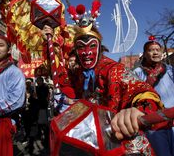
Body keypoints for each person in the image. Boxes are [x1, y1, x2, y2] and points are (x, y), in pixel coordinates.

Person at [48, 22, 165, 155]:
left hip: (122, 143)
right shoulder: (79, 73)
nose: (86, 53)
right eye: (81, 47)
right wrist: (50, 41)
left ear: (99, 47)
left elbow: (141, 91)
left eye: (92, 46)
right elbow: (63, 78)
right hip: (94, 143)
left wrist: (136, 112)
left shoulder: (114, 70)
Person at [133, 39, 174, 156]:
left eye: (158, 50)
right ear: (144, 54)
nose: (155, 53)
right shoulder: (137, 73)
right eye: (151, 50)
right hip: (153, 123)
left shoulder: (170, 70)